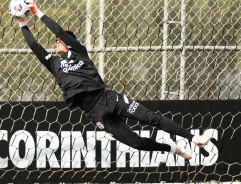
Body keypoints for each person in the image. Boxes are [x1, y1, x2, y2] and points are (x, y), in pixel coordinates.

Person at [14, 1, 211, 160]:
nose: (57, 41)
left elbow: (59, 31)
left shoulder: (79, 52)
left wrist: (37, 11)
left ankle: (194, 138)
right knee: (136, 143)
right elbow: (34, 45)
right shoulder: (54, 63)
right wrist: (22, 22)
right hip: (96, 113)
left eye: (61, 39)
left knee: (152, 118)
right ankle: (173, 149)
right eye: (56, 40)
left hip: (108, 97)